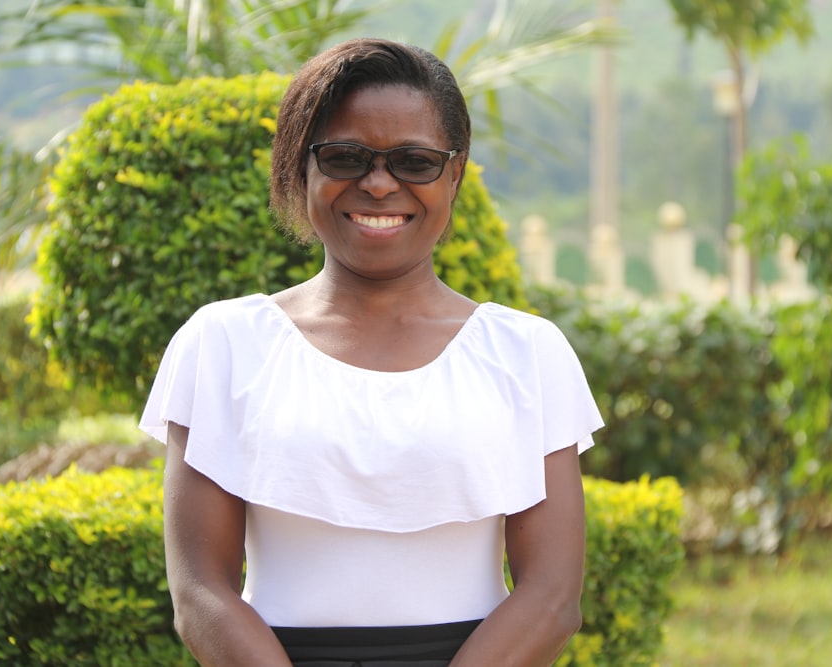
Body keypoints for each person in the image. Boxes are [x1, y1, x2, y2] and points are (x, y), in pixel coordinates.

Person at [140, 37, 603, 667]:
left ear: (455, 174)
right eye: (346, 157)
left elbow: (552, 597)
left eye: (414, 162)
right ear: (300, 168)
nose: (379, 184)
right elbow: (200, 593)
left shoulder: (527, 353)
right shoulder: (223, 344)